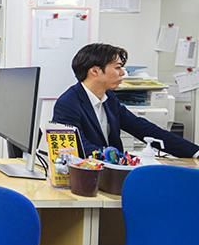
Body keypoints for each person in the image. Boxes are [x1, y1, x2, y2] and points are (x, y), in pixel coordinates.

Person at [52, 43, 199, 159]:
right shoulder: (68, 104)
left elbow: (142, 128)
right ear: (95, 71)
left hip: (112, 173)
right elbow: (79, 147)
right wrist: (123, 159)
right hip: (88, 177)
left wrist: (194, 152)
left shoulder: (109, 99)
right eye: (118, 68)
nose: (123, 73)